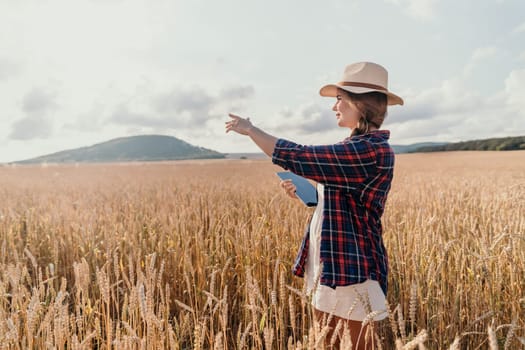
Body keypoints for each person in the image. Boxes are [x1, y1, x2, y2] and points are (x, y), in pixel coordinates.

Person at [225, 62, 403, 349]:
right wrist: (309, 194)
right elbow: (345, 201)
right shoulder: (354, 146)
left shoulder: (370, 150)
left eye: (340, 99)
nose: (335, 107)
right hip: (328, 265)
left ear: (361, 104)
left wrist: (251, 130)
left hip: (354, 272)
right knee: (325, 343)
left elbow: (299, 156)